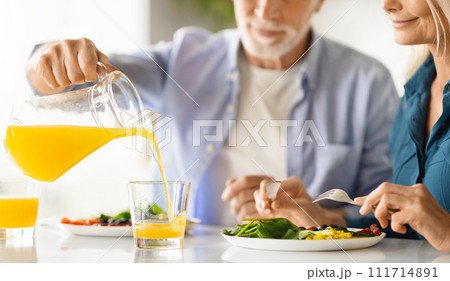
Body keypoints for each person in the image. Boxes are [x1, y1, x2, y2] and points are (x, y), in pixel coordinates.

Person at [26, 0, 399, 226]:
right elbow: (79, 80)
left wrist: (322, 218)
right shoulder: (186, 57)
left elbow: (382, 213)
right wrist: (49, 60)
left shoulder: (367, 83)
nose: (265, 10)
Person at [254, 0, 450, 252]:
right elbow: (405, 230)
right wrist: (320, 217)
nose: (386, 4)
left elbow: (437, 231)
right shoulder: (411, 101)